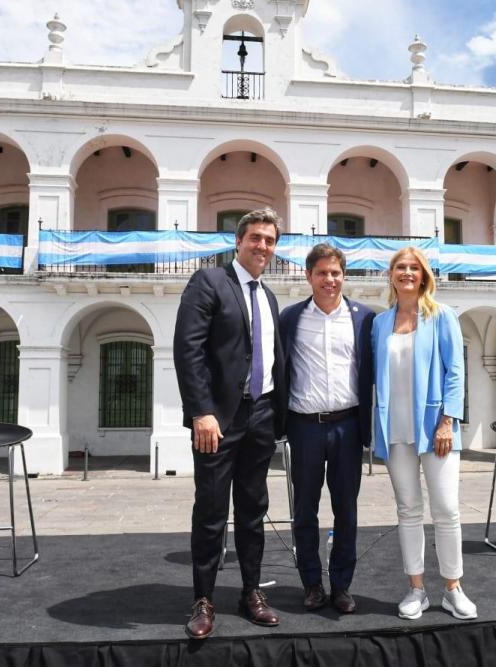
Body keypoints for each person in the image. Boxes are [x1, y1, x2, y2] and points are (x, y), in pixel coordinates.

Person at [173, 208, 286, 639]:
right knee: (211, 510)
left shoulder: (268, 296)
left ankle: (251, 592)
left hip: (260, 414)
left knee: (254, 509)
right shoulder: (210, 282)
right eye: (255, 238)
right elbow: (189, 349)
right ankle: (203, 599)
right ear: (238, 242)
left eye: (270, 240)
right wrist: (201, 411)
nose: (262, 246)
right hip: (217, 419)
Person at [371, 246, 477, 621]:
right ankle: (416, 589)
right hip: (394, 428)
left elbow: (455, 372)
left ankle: (453, 588)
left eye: (413, 267)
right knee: (408, 510)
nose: (406, 273)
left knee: (446, 509)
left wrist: (448, 420)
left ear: (424, 275)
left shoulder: (442, 316)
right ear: (392, 275)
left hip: (437, 430)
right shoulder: (380, 324)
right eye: (400, 267)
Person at [280, 244, 374, 614]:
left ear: (343, 276)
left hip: (348, 426)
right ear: (308, 276)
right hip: (305, 427)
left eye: (335, 273)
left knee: (346, 510)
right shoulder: (291, 319)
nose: (329, 280)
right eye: (322, 273)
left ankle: (341, 585)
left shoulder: (364, 319)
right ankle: (311, 583)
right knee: (304, 509)